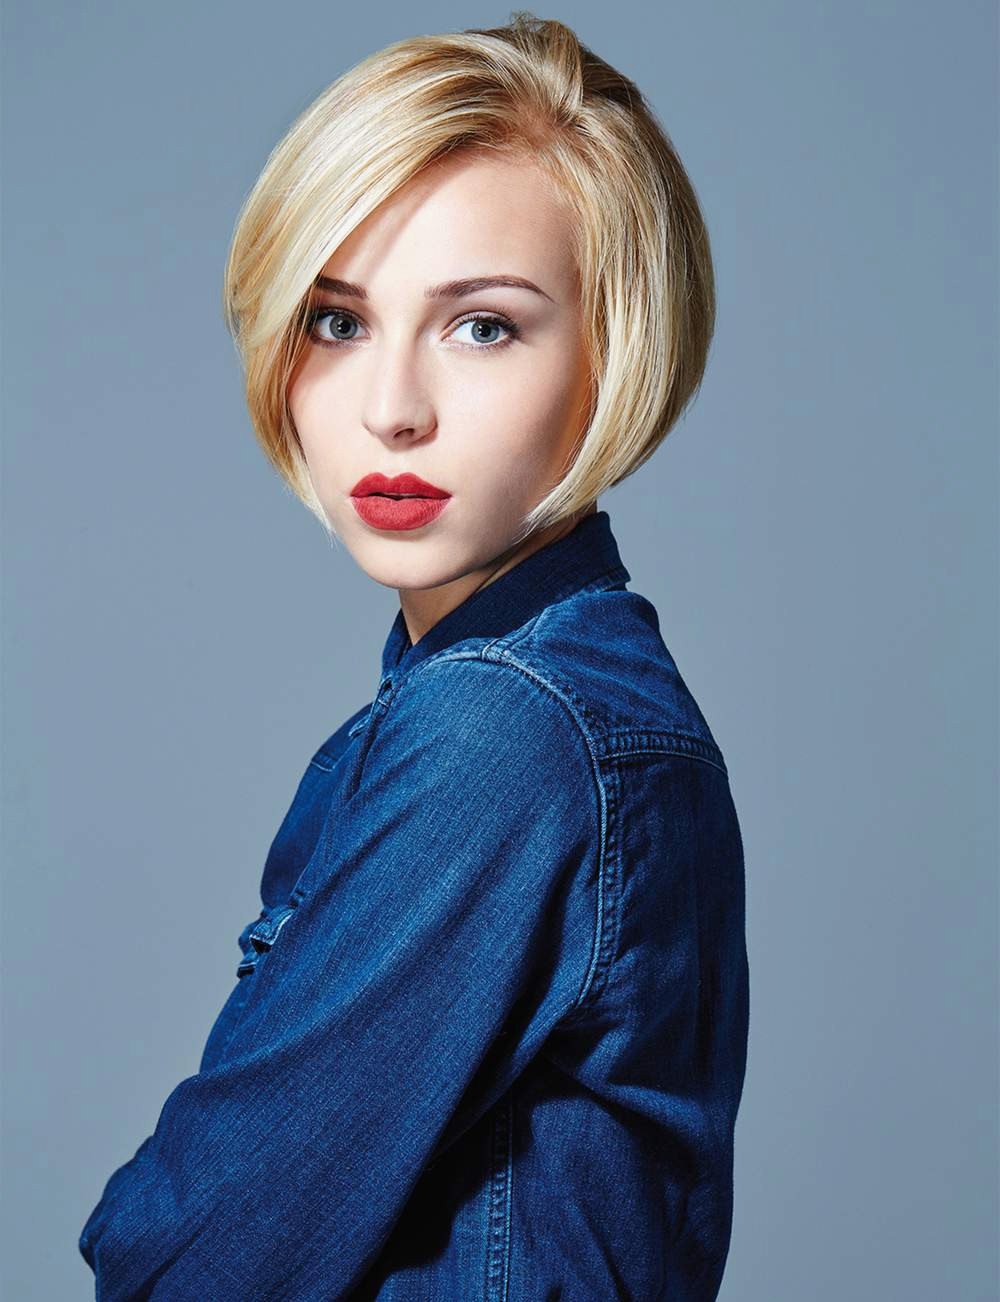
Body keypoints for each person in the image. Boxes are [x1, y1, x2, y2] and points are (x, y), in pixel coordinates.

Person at [78, 12, 749, 1299]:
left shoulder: (510, 729)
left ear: (613, 352)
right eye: (336, 322)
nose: (390, 408)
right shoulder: (566, 702)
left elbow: (197, 1263)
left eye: (481, 326)